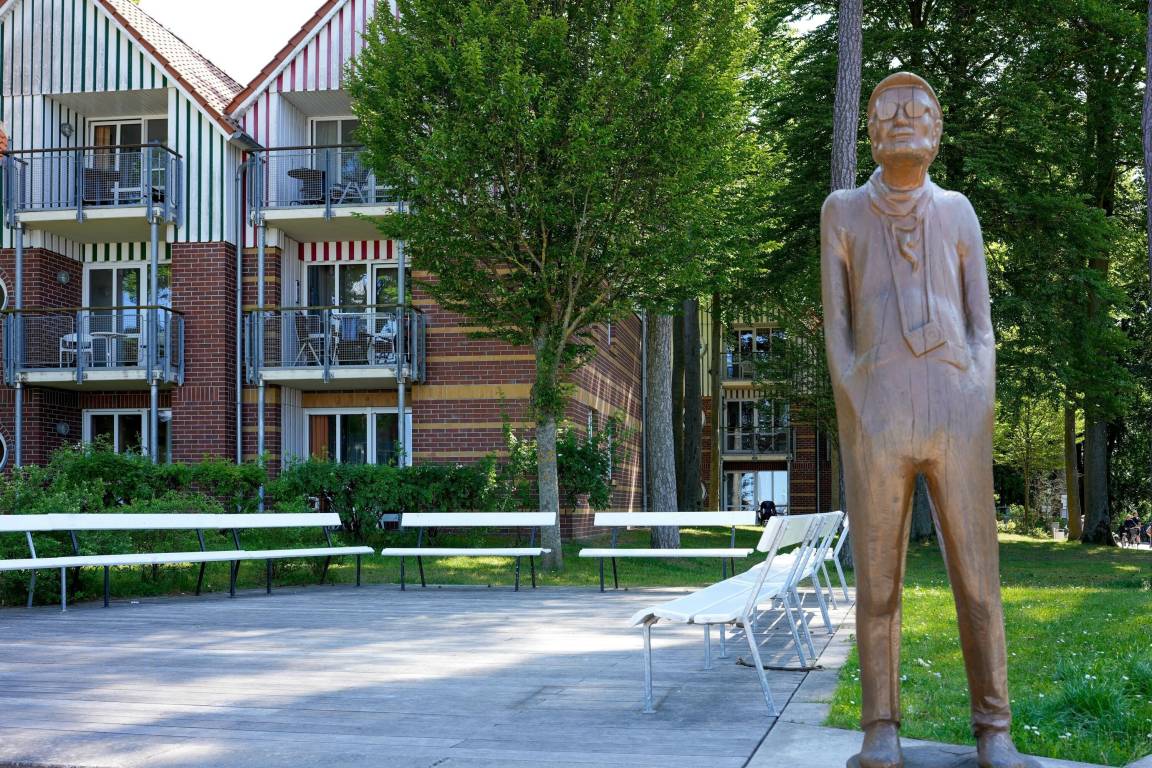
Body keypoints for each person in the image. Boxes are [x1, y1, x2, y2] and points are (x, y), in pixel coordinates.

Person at [821, 72, 1038, 768]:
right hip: (878, 414)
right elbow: (836, 328)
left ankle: (994, 729)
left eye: (918, 110)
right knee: (878, 581)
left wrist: (977, 397)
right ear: (869, 132)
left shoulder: (958, 212)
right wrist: (858, 403)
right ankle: (880, 727)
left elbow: (982, 325)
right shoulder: (842, 213)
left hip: (956, 412)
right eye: (887, 110)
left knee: (977, 576)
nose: (902, 118)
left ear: (938, 133)